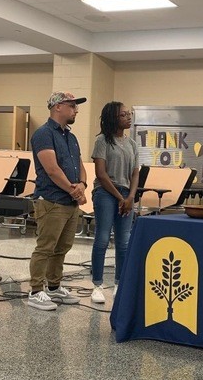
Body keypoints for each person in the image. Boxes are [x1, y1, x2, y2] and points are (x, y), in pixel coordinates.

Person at [28, 91, 87, 311]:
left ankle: (53, 286)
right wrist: (75, 192)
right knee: (45, 247)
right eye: (72, 106)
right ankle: (36, 291)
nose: (76, 110)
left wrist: (82, 184)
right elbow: (52, 170)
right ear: (58, 107)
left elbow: (80, 165)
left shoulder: (71, 137)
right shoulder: (43, 134)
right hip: (51, 200)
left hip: (69, 202)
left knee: (62, 247)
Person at [90, 102, 139, 303]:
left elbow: (135, 174)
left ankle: (119, 284)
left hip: (126, 194)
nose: (129, 117)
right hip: (105, 192)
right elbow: (101, 174)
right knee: (102, 238)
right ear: (113, 118)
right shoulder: (102, 141)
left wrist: (130, 198)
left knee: (124, 242)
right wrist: (120, 198)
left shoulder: (132, 144)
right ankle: (97, 285)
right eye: (123, 115)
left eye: (129, 114)